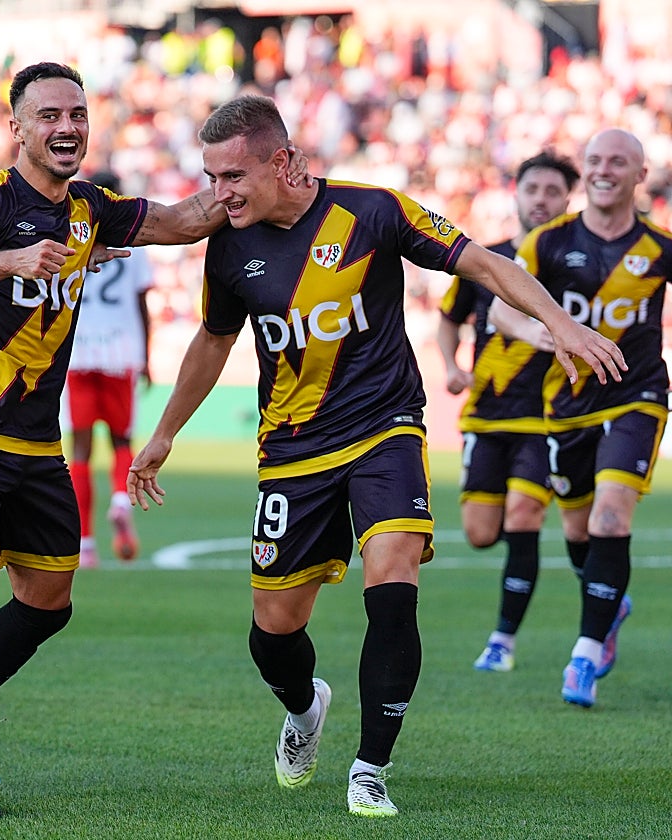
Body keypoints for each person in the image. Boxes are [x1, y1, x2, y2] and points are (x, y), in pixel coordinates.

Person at [127, 95, 624, 818]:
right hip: (292, 448)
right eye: (212, 177)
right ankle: (305, 707)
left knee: (392, 581)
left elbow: (483, 264)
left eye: (233, 175)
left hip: (385, 428)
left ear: (282, 161)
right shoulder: (230, 246)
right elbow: (213, 340)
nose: (219, 193)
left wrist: (561, 323)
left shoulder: (374, 211)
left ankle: (370, 768)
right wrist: (166, 432)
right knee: (274, 630)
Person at [0, 64, 308, 821]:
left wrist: (263, 181)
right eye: (49, 115)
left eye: (77, 115)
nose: (67, 127)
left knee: (49, 602)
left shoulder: (91, 209)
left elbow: (184, 222)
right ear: (17, 128)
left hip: (34, 443)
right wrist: (13, 258)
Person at [490, 128, 666, 708]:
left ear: (640, 175)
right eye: (594, 160)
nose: (603, 170)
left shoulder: (660, 246)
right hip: (566, 405)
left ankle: (585, 656)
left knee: (611, 520)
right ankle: (610, 604)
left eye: (617, 161)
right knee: (579, 531)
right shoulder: (548, 241)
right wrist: (540, 332)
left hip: (637, 394)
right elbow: (500, 309)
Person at [436, 151, 579, 672]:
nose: (541, 199)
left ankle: (503, 641)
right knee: (480, 532)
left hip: (545, 418)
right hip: (486, 414)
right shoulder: (484, 260)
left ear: (568, 199)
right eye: (532, 189)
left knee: (523, 515)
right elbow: (449, 318)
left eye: (552, 191)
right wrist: (451, 364)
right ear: (516, 194)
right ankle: (582, 563)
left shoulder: (575, 263)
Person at [65, 169, 155, 568]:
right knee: (122, 441)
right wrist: (146, 358)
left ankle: (85, 543)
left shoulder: (75, 236)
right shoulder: (137, 245)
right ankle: (120, 499)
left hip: (80, 350)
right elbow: (142, 304)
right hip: (121, 351)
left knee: (80, 450)